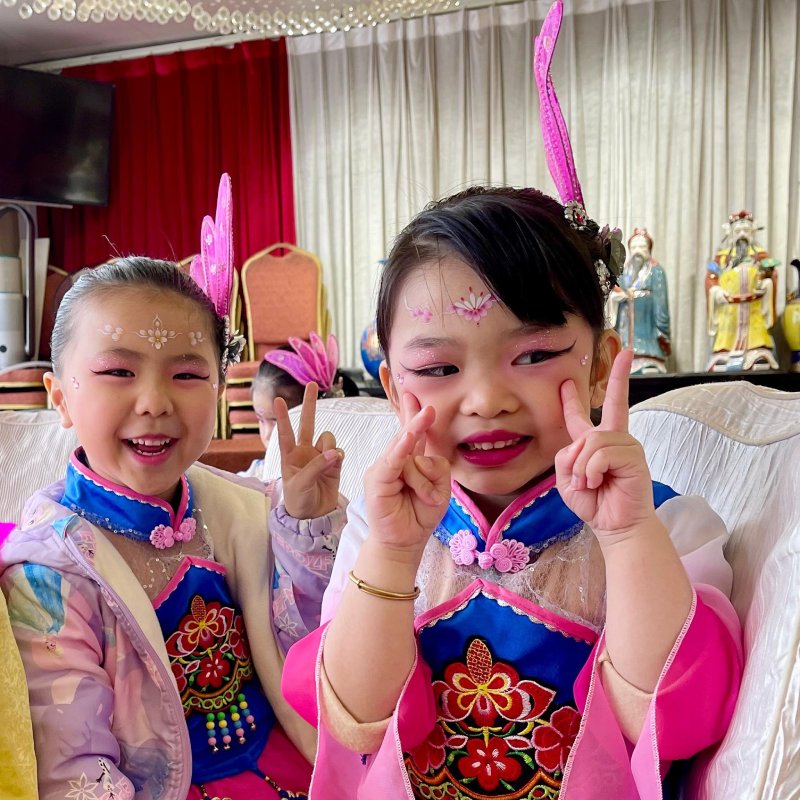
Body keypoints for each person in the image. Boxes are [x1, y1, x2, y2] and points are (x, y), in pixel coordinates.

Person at [282, 5, 743, 798]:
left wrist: (627, 536)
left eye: (532, 355)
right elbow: (355, 718)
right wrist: (392, 554)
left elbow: (670, 716)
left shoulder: (669, 525)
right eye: (438, 367)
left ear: (601, 366)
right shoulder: (378, 533)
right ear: (393, 390)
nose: (488, 399)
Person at [0, 177, 346, 800]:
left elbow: (319, 655)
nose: (154, 402)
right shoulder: (49, 571)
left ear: (219, 389)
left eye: (186, 374)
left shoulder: (243, 508)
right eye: (117, 371)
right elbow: (74, 769)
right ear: (60, 397)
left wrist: (306, 532)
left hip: (292, 769)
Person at [241, 333, 359, 481]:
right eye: (261, 420)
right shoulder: (259, 471)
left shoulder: (331, 474)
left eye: (276, 422)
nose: (267, 434)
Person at [705, 209, 779, 371]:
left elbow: (772, 273)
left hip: (754, 308)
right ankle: (723, 352)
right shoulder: (722, 257)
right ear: (731, 233)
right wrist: (716, 290)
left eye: (746, 230)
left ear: (752, 232)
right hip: (729, 310)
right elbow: (710, 277)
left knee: (758, 338)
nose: (742, 234)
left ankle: (757, 351)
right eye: (738, 231)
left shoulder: (760, 256)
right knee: (725, 337)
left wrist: (767, 282)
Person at [606, 228, 671, 374]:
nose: (637, 251)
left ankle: (648, 352)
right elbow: (615, 292)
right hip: (625, 322)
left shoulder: (656, 271)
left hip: (647, 324)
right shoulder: (622, 272)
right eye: (634, 247)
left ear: (649, 249)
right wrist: (617, 297)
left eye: (642, 247)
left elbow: (661, 304)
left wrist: (662, 330)